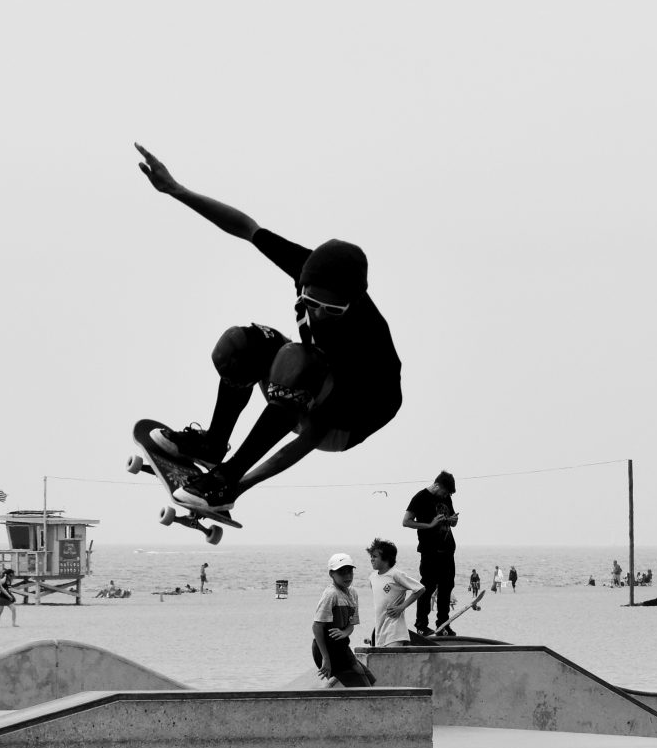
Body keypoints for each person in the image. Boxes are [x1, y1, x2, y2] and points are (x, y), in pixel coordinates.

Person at [134, 145, 403, 513]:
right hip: (310, 385)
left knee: (297, 363)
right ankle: (214, 444)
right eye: (311, 304)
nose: (320, 316)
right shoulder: (307, 266)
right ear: (303, 281)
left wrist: (237, 487)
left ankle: (225, 474)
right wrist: (177, 190)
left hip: (346, 422)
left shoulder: (365, 345)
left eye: (333, 310)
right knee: (240, 346)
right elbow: (246, 227)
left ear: (352, 303)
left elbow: (307, 441)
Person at [403, 471, 458, 639]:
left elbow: (451, 518)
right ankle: (421, 626)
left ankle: (443, 625)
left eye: (448, 494)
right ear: (437, 486)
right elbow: (406, 521)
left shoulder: (446, 497)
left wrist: (453, 520)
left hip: (447, 549)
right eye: (444, 492)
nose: (445, 496)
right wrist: (430, 524)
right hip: (429, 551)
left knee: (446, 588)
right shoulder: (420, 497)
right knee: (427, 588)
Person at [312, 553, 373, 686]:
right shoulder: (331, 594)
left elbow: (351, 624)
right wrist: (325, 658)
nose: (347, 576)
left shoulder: (353, 593)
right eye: (341, 572)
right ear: (331, 574)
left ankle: (327, 687)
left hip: (342, 647)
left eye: (349, 571)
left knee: (369, 679)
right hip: (328, 649)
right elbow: (317, 627)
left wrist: (345, 632)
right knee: (364, 686)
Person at [366, 539, 422, 647]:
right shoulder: (372, 577)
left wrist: (401, 607)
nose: (371, 559)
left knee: (391, 661)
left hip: (395, 631)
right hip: (380, 631)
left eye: (375, 556)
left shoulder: (395, 574)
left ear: (386, 558)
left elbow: (419, 589)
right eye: (371, 556)